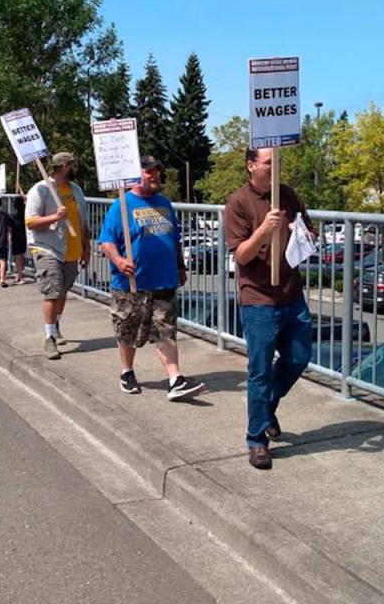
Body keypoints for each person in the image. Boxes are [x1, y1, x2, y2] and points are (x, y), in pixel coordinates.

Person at [225, 148, 315, 470]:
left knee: (299, 358)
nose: (275, 168)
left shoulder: (288, 195)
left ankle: (265, 410)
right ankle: (257, 440)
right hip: (259, 299)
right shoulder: (238, 204)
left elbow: (310, 235)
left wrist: (297, 232)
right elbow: (241, 256)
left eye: (278, 163)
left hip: (292, 295)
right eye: (268, 163)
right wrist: (264, 229)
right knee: (260, 370)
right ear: (251, 166)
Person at [98, 156, 205, 400]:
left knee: (165, 330)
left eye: (157, 171)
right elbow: (106, 242)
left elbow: (175, 239)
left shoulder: (165, 204)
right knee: (127, 330)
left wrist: (180, 266)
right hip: (132, 283)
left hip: (164, 280)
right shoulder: (122, 206)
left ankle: (175, 379)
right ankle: (127, 372)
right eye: (148, 172)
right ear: (136, 175)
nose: (154, 175)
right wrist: (119, 261)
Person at [25, 152, 90, 360]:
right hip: (47, 248)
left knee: (62, 291)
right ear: (63, 166)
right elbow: (30, 222)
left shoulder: (77, 190)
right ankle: (49, 337)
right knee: (52, 292)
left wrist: (86, 248)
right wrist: (55, 216)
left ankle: (55, 323)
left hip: (71, 250)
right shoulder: (41, 189)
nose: (75, 168)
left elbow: (83, 223)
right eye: (73, 164)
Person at [10, 193, 28, 284]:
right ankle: (21, 273)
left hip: (16, 237)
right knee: (22, 255)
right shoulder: (26, 212)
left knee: (17, 257)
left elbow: (10, 227)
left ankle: (20, 276)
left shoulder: (13, 215)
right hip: (24, 236)